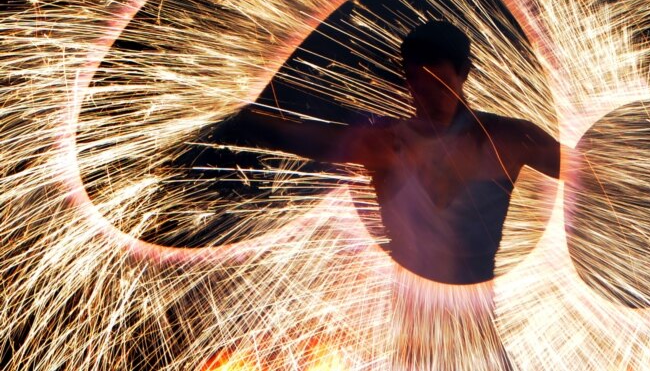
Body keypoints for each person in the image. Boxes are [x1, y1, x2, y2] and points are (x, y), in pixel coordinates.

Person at [218, 19, 561, 285]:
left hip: (477, 331)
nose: (430, 99)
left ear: (465, 75)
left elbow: (594, 170)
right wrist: (229, 110)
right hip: (411, 338)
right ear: (408, 82)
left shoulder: (509, 139)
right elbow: (302, 138)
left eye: (441, 86)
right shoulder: (388, 145)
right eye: (420, 87)